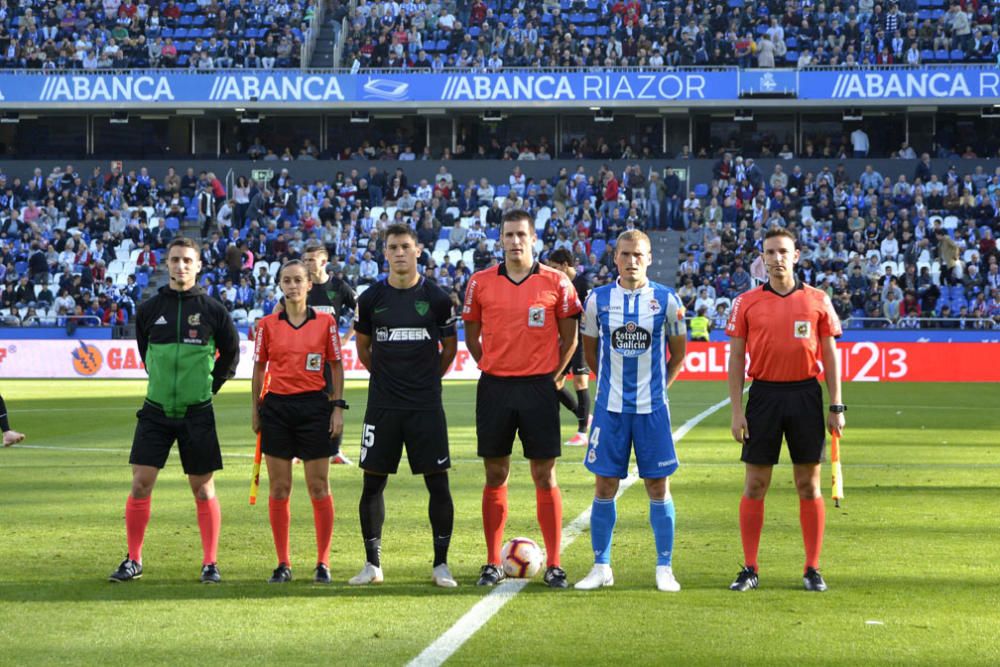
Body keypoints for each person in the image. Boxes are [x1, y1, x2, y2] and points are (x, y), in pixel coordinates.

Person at [109, 237, 240, 584]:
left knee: (202, 488)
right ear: (166, 264)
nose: (181, 266)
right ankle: (133, 559)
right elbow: (145, 352)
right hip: (155, 411)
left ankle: (210, 563)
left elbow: (230, 356)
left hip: (197, 412)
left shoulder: (214, 310)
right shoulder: (149, 310)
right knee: (140, 483)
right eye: (175, 260)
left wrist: (208, 387)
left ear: (198, 266)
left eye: (187, 260)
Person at [463, 209, 582, 588]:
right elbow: (471, 335)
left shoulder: (557, 282)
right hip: (495, 387)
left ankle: (555, 564)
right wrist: (492, 365)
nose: (515, 241)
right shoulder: (479, 283)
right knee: (495, 473)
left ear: (534, 239)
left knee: (544, 474)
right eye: (508, 235)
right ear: (500, 239)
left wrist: (555, 377)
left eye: (521, 235)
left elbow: (571, 337)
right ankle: (490, 562)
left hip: (539, 388)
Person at [726, 228, 845, 593]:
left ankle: (812, 568)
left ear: (796, 256)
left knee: (808, 486)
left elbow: (829, 355)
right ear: (762, 259)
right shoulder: (745, 302)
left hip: (806, 396)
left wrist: (836, 405)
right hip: (762, 397)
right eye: (769, 253)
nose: (776, 258)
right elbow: (735, 359)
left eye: (783, 252)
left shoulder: (818, 300)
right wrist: (736, 410)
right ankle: (749, 568)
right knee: (755, 484)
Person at [574, 230, 688, 593]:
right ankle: (601, 566)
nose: (632, 260)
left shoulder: (668, 300)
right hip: (610, 410)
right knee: (605, 483)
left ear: (650, 258)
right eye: (625, 254)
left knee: (657, 485)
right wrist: (610, 383)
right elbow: (590, 353)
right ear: (616, 258)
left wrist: (658, 388)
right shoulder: (597, 300)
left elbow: (679, 354)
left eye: (639, 254)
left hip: (652, 410)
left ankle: (664, 567)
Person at [347, 224, 459, 588]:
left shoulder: (439, 298)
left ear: (418, 251)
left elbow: (450, 349)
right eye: (392, 247)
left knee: (437, 484)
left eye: (405, 247)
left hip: (425, 406)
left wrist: (427, 380)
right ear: (385, 253)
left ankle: (441, 565)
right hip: (383, 405)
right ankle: (372, 564)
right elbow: (363, 349)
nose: (399, 253)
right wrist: (386, 376)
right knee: (372, 484)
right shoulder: (369, 299)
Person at [252, 260, 345, 584]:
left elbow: (336, 366)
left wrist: (337, 408)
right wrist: (255, 409)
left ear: (309, 285)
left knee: (318, 487)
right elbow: (259, 369)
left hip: (315, 408)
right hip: (277, 409)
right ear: (280, 284)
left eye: (298, 281)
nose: (292, 286)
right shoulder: (266, 324)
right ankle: (283, 563)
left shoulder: (326, 323)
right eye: (286, 281)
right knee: (279, 488)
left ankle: (323, 562)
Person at [277, 242, 356, 465]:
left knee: (333, 398)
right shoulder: (302, 287)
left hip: (328, 355)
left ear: (324, 261)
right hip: (300, 356)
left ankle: (334, 450)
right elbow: (277, 311)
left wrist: (346, 338)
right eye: (305, 260)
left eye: (312, 260)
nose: (308, 264)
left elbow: (360, 311)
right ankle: (295, 450)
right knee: (297, 397)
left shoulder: (339, 287)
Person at [545, 248, 593, 448]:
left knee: (581, 381)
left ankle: (582, 433)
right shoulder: (559, 284)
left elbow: (590, 311)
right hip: (565, 339)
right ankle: (585, 417)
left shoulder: (584, 283)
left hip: (582, 338)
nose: (553, 271)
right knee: (554, 382)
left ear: (565, 265)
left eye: (555, 267)